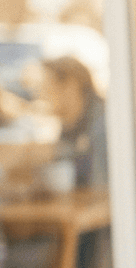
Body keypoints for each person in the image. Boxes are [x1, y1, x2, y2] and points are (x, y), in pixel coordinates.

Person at [39, 56, 108, 189]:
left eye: (47, 87)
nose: (42, 95)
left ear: (71, 86)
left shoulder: (102, 125)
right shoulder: (70, 125)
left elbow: (100, 192)